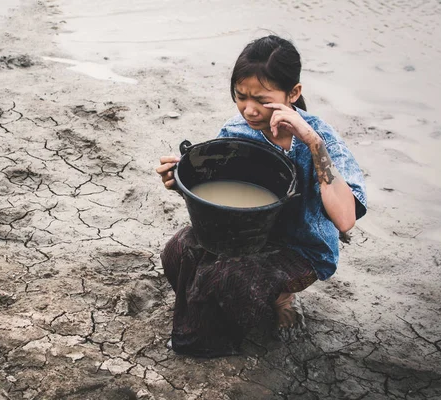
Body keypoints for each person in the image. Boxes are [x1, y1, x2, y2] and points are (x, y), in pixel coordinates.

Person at [155, 35, 367, 357]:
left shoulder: (321, 140)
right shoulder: (237, 130)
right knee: (178, 250)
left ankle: (278, 298)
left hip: (301, 247)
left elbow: (346, 219)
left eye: (262, 100)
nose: (249, 110)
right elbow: (218, 192)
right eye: (240, 96)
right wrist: (181, 182)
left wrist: (312, 144)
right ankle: (212, 314)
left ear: (293, 93)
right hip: (242, 233)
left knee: (228, 279)